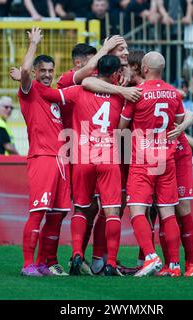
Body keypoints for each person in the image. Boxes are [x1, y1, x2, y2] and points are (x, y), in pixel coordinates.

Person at [38, 55, 141, 276]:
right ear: (115, 74)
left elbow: (51, 94)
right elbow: (123, 129)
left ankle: (77, 254)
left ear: (96, 71)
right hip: (108, 158)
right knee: (112, 211)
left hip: (83, 158)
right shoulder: (122, 97)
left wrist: (26, 81)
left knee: (81, 209)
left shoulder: (79, 91)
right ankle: (111, 262)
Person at [119, 52, 185, 277]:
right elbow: (179, 123)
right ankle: (174, 265)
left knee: (137, 209)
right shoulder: (174, 93)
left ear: (144, 68)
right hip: (166, 159)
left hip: (143, 160)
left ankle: (150, 256)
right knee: (167, 212)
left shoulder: (137, 94)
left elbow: (121, 127)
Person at [17, 27, 71, 277]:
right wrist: (33, 44)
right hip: (42, 158)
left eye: (51, 71)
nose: (48, 75)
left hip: (61, 161)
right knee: (38, 211)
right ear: (37, 73)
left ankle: (41, 263)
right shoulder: (29, 91)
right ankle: (28, 264)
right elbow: (25, 71)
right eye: (43, 71)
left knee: (57, 215)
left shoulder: (52, 94)